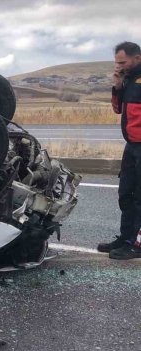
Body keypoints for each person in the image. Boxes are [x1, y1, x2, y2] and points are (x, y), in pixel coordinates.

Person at [97, 41, 141, 260]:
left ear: (137, 58)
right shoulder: (129, 79)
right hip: (132, 146)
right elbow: (118, 109)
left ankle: (138, 244)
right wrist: (117, 85)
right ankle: (126, 239)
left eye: (122, 62)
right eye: (116, 62)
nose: (118, 66)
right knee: (126, 195)